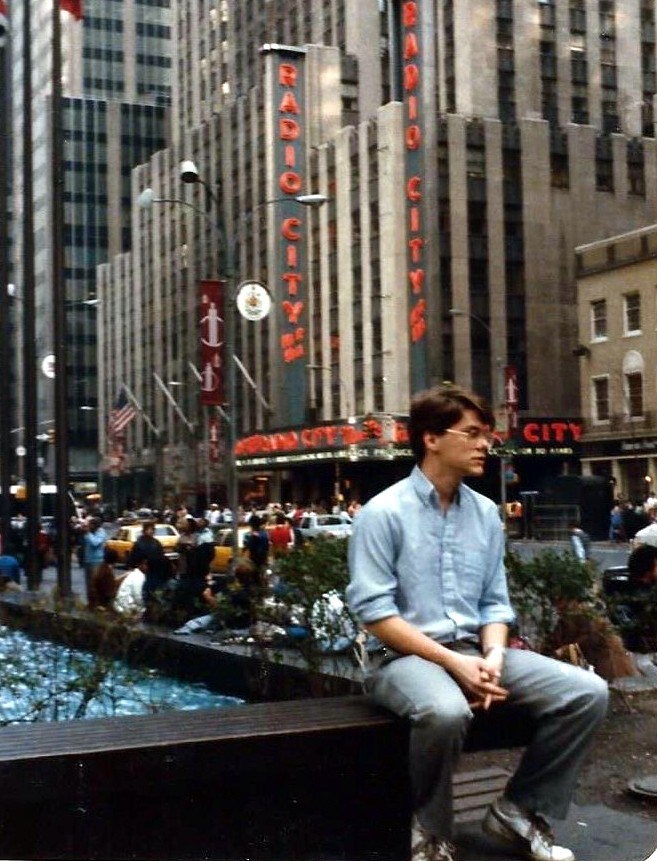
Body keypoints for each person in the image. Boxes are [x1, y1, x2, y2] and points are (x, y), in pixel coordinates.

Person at [346, 384, 609, 861]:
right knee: (446, 711)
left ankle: (518, 812)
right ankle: (430, 830)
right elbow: (375, 615)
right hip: (400, 658)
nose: (485, 443)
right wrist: (454, 663)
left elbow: (494, 604)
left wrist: (491, 658)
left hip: (474, 651)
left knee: (587, 693)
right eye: (471, 433)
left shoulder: (486, 513)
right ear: (431, 439)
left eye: (487, 434)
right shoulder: (382, 513)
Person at [88, 547, 125, 612]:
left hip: (96, 601)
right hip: (102, 604)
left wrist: (121, 577)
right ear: (115, 560)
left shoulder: (102, 568)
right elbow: (110, 592)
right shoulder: (107, 573)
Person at [81, 517, 108, 605]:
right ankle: (90, 602)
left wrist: (88, 533)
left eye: (90, 525)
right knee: (88, 583)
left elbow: (95, 543)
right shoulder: (89, 533)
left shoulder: (101, 532)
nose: (89, 527)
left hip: (97, 561)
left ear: (95, 525)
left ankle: (97, 602)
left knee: (95, 583)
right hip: (88, 560)